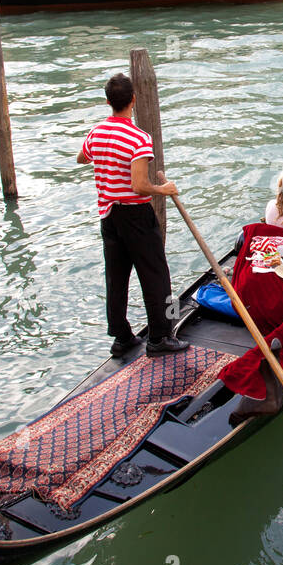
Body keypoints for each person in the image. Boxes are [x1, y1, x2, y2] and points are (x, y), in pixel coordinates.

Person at [77, 73, 188, 357]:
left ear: (107, 102)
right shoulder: (139, 138)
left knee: (116, 276)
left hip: (108, 216)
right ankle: (160, 337)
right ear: (134, 100)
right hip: (135, 216)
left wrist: (106, 161)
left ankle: (122, 337)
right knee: (156, 274)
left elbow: (83, 157)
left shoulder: (97, 132)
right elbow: (139, 186)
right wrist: (163, 189)